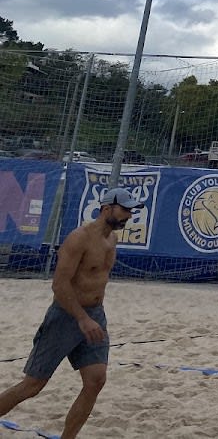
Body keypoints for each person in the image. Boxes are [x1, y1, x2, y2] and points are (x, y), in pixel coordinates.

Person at [0, 187, 141, 439]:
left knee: (96, 381)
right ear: (107, 208)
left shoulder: (112, 239)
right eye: (125, 210)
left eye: (130, 211)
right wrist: (82, 319)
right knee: (33, 385)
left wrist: (90, 317)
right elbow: (59, 284)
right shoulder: (79, 238)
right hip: (66, 316)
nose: (129, 215)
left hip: (95, 315)